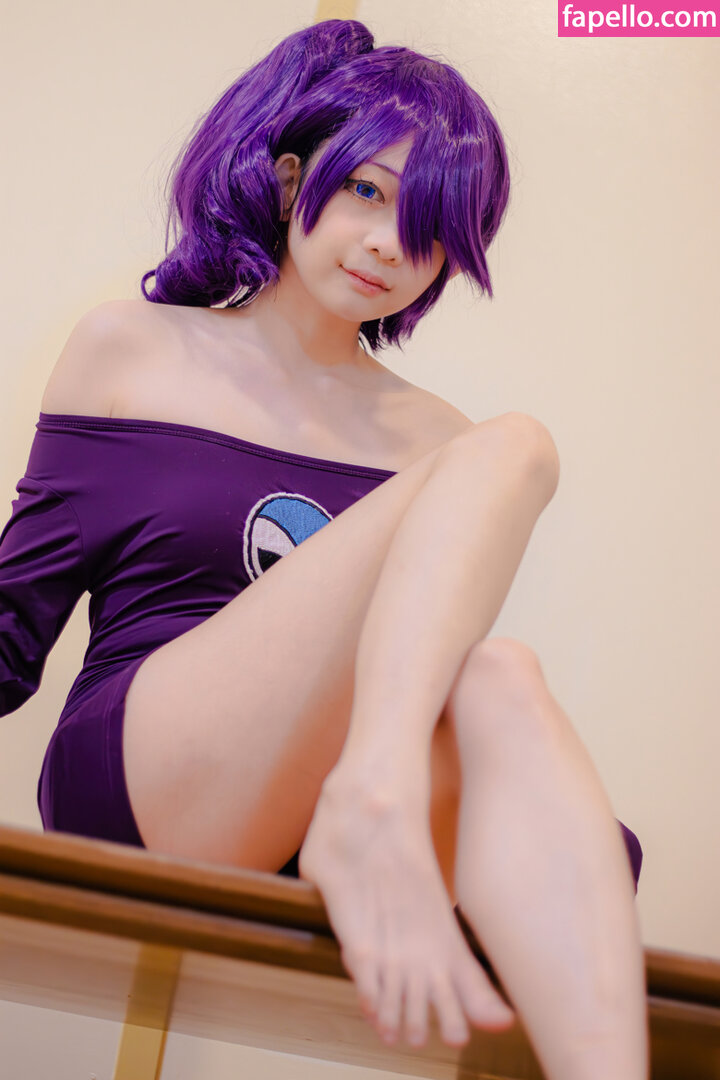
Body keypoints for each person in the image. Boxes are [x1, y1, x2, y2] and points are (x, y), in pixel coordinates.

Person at [0, 19, 647, 1078]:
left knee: (501, 675)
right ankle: (374, 797)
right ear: (293, 176)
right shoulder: (135, 351)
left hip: (315, 804)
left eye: (428, 226)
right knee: (515, 447)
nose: (391, 244)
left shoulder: (434, 441)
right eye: (367, 192)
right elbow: (10, 627)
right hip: (144, 782)